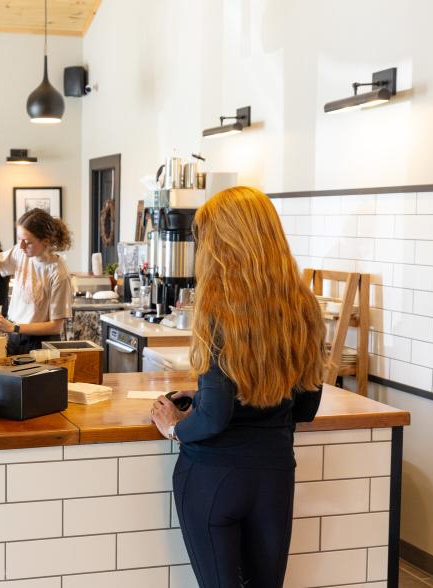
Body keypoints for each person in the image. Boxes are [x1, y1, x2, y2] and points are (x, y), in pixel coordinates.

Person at [149, 187, 326, 588]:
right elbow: (305, 407)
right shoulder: (304, 304)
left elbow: (214, 417)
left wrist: (175, 426)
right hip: (274, 476)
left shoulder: (218, 306)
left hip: (214, 477)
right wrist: (216, 396)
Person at [0, 208, 72, 355]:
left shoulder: (58, 273)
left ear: (45, 241)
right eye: (19, 239)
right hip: (15, 337)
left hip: (42, 343)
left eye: (27, 242)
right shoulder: (21, 252)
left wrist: (13, 327)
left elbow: (56, 326)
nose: (21, 246)